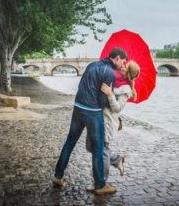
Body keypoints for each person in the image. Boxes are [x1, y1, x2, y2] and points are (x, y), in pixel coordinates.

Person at [52, 48, 127, 195]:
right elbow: (102, 100)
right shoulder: (110, 72)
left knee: (70, 142)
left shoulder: (92, 65)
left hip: (78, 107)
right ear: (117, 58)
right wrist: (110, 97)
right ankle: (100, 185)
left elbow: (81, 86)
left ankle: (58, 176)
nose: (123, 64)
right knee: (98, 148)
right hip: (92, 112)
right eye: (123, 61)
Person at [86, 61, 140, 187]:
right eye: (123, 64)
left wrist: (110, 94)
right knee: (91, 147)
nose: (122, 65)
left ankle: (101, 182)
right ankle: (116, 159)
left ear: (128, 73)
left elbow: (117, 108)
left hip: (107, 121)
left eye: (125, 66)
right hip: (97, 116)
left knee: (102, 150)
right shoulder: (113, 79)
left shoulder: (126, 89)